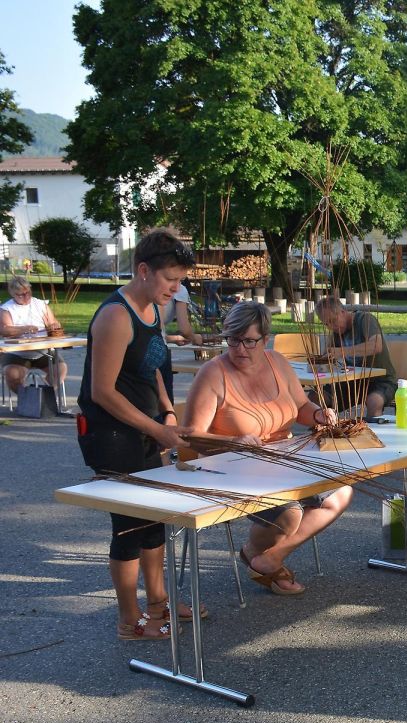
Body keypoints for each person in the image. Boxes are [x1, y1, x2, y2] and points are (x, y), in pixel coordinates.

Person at [76, 229, 195, 641]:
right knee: (129, 525)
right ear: (144, 270)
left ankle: (158, 602)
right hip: (111, 435)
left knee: (155, 519)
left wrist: (167, 412)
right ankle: (129, 620)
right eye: (170, 280)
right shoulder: (115, 316)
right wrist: (157, 430)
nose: (175, 289)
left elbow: (154, 368)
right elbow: (102, 392)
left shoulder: (152, 308)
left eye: (179, 281)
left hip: (146, 427)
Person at [185, 301, 351, 595]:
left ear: (265, 339)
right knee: (290, 513)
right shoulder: (213, 374)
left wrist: (318, 415)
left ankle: (268, 558)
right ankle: (257, 553)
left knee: (340, 493)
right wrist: (233, 443)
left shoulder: (277, 363)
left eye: (249, 341)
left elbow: (300, 407)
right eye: (233, 340)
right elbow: (192, 436)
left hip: (282, 460)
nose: (240, 349)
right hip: (230, 466)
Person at [313, 296, 397, 418]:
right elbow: (327, 356)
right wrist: (322, 360)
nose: (331, 326)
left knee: (374, 401)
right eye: (326, 324)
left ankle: (371, 430)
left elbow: (376, 346)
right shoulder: (336, 332)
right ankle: (326, 429)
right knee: (316, 397)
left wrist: (343, 351)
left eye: (333, 320)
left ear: (342, 312)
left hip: (381, 380)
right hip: (353, 381)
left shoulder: (365, 320)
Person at [1, 275, 68, 394]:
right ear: (12, 294)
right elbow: (5, 330)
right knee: (12, 374)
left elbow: (53, 322)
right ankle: (26, 399)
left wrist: (54, 326)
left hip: (44, 352)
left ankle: (46, 397)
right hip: (17, 353)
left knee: (60, 369)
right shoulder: (7, 309)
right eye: (21, 295)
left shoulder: (40, 304)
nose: (26, 296)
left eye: (28, 292)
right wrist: (24, 329)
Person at [158, 279, 202, 403]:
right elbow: (184, 329)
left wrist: (174, 339)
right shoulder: (180, 289)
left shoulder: (150, 285)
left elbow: (154, 331)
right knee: (165, 399)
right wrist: (195, 337)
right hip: (158, 351)